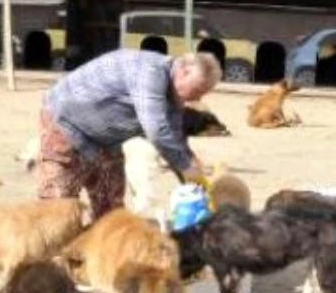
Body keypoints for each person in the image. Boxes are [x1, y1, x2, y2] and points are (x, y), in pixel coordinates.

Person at [36, 48, 223, 218]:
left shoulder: (174, 98)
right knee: (59, 210)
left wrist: (194, 180)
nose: (198, 98)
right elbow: (156, 130)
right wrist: (185, 167)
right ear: (184, 71)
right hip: (66, 125)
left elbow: (174, 139)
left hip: (107, 141)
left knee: (111, 209)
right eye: (198, 90)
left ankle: (104, 250)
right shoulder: (149, 72)